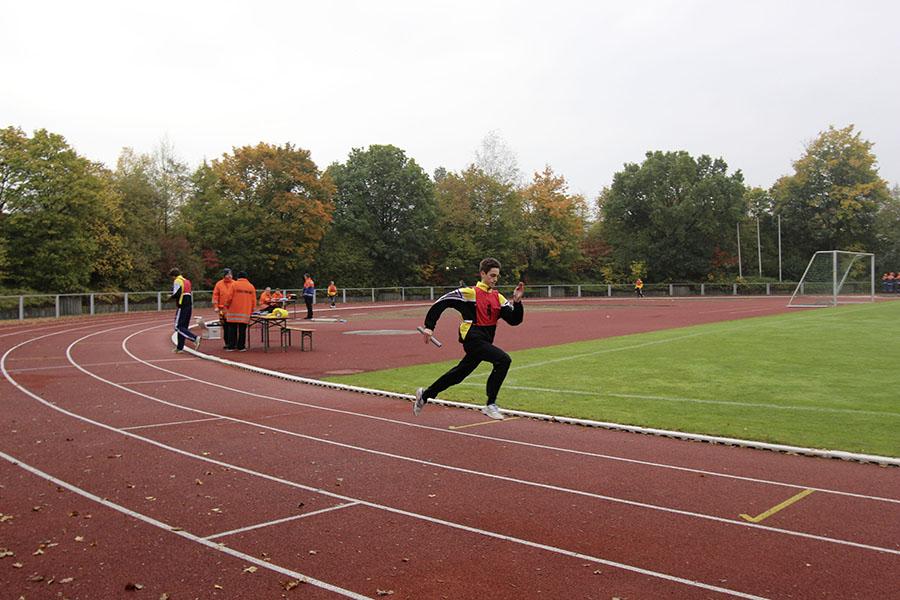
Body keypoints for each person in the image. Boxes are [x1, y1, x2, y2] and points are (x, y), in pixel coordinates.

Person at [414, 258, 525, 420]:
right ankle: (490, 404)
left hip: (485, 341)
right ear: (482, 274)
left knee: (458, 374)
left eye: (497, 276)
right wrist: (429, 326)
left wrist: (517, 301)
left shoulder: (498, 298)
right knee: (503, 360)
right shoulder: (469, 293)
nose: (495, 279)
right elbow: (441, 302)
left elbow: (515, 320)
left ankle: (425, 394)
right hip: (472, 338)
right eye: (492, 275)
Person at [169, 267, 201, 353]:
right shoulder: (187, 281)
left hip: (182, 305)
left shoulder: (177, 281)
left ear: (173, 276)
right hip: (188, 305)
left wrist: (171, 296)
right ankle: (180, 348)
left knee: (178, 327)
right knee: (183, 327)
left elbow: (177, 293)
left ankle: (194, 338)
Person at [224, 271, 256, 351]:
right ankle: (241, 346)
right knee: (242, 330)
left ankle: (231, 346)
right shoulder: (251, 286)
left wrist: (226, 306)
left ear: (238, 277)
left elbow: (229, 297)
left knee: (232, 329)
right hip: (245, 312)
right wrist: (251, 310)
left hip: (233, 311)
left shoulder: (234, 285)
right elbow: (253, 300)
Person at [212, 268, 236, 350]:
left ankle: (233, 343)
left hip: (232, 308)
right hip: (222, 309)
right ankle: (227, 343)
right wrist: (216, 306)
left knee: (233, 326)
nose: (229, 276)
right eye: (228, 274)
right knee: (225, 327)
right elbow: (215, 296)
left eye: (230, 274)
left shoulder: (235, 283)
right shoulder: (219, 284)